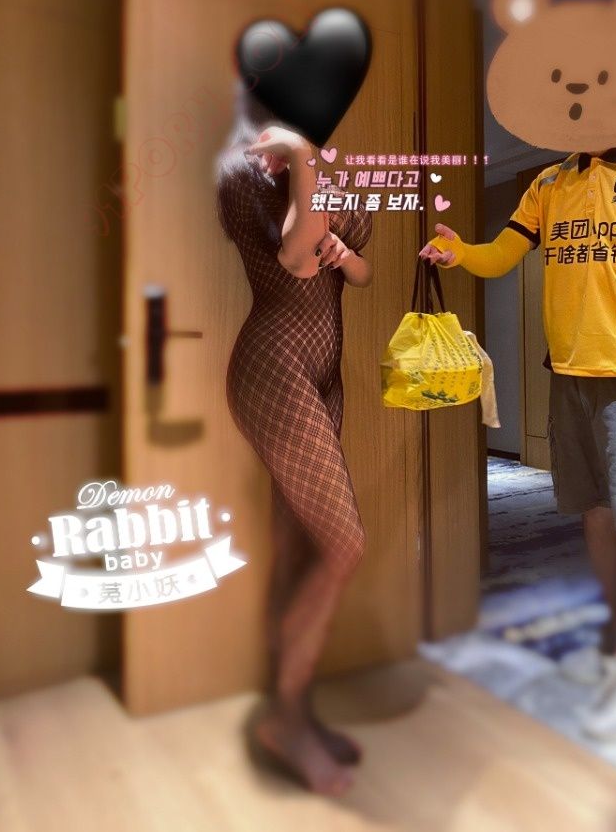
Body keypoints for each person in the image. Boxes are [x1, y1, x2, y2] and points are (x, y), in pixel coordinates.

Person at [420, 132, 616, 741]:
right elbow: (504, 252)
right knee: (594, 512)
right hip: (568, 370)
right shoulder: (551, 181)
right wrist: (460, 253)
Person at [216, 85, 372, 795]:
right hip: (274, 366)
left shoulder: (330, 167)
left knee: (301, 549)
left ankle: (298, 711)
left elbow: (357, 269)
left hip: (326, 374)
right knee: (344, 545)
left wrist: (314, 166)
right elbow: (297, 256)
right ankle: (284, 718)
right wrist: (304, 160)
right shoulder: (242, 175)